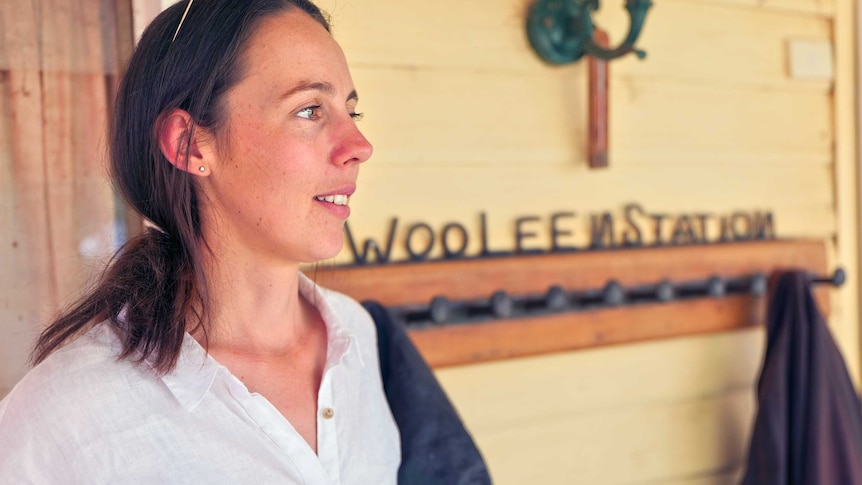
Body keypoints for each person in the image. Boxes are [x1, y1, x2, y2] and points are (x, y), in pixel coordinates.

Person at [0, 0, 402, 482]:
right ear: (190, 144)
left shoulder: (356, 336)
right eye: (310, 110)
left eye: (351, 110)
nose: (359, 145)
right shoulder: (66, 417)